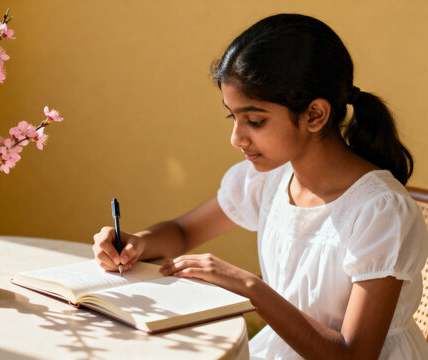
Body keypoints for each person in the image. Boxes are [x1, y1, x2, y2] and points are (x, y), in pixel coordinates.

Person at [92, 13, 428, 359]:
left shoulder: (379, 210)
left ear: (315, 115)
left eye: (254, 121)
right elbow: (181, 232)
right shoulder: (267, 179)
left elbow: (353, 355)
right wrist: (137, 242)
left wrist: (249, 287)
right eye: (232, 116)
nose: (237, 138)